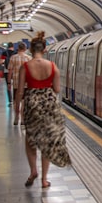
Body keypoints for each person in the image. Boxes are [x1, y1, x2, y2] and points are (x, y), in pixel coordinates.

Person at [14, 32, 69, 188]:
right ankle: (44, 179)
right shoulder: (52, 66)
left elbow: (19, 91)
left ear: (31, 50)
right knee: (47, 141)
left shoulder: (25, 67)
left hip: (32, 104)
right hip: (49, 104)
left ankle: (33, 171)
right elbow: (57, 89)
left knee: (31, 139)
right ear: (44, 50)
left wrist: (17, 109)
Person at [6, 41, 31, 125]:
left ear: (18, 48)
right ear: (25, 49)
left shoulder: (13, 58)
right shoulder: (28, 58)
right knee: (24, 101)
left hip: (16, 83)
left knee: (16, 101)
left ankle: (17, 117)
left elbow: (10, 71)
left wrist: (9, 83)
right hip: (26, 83)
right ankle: (23, 119)